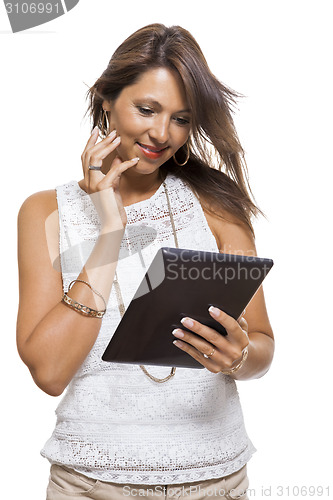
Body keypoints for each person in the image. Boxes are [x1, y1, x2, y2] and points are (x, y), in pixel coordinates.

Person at [16, 23, 274, 500]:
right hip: (89, 485)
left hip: (212, 481)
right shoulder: (45, 212)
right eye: (147, 109)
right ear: (106, 100)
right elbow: (49, 373)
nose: (161, 133)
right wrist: (110, 229)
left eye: (181, 118)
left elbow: (262, 347)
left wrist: (237, 356)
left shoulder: (217, 207)